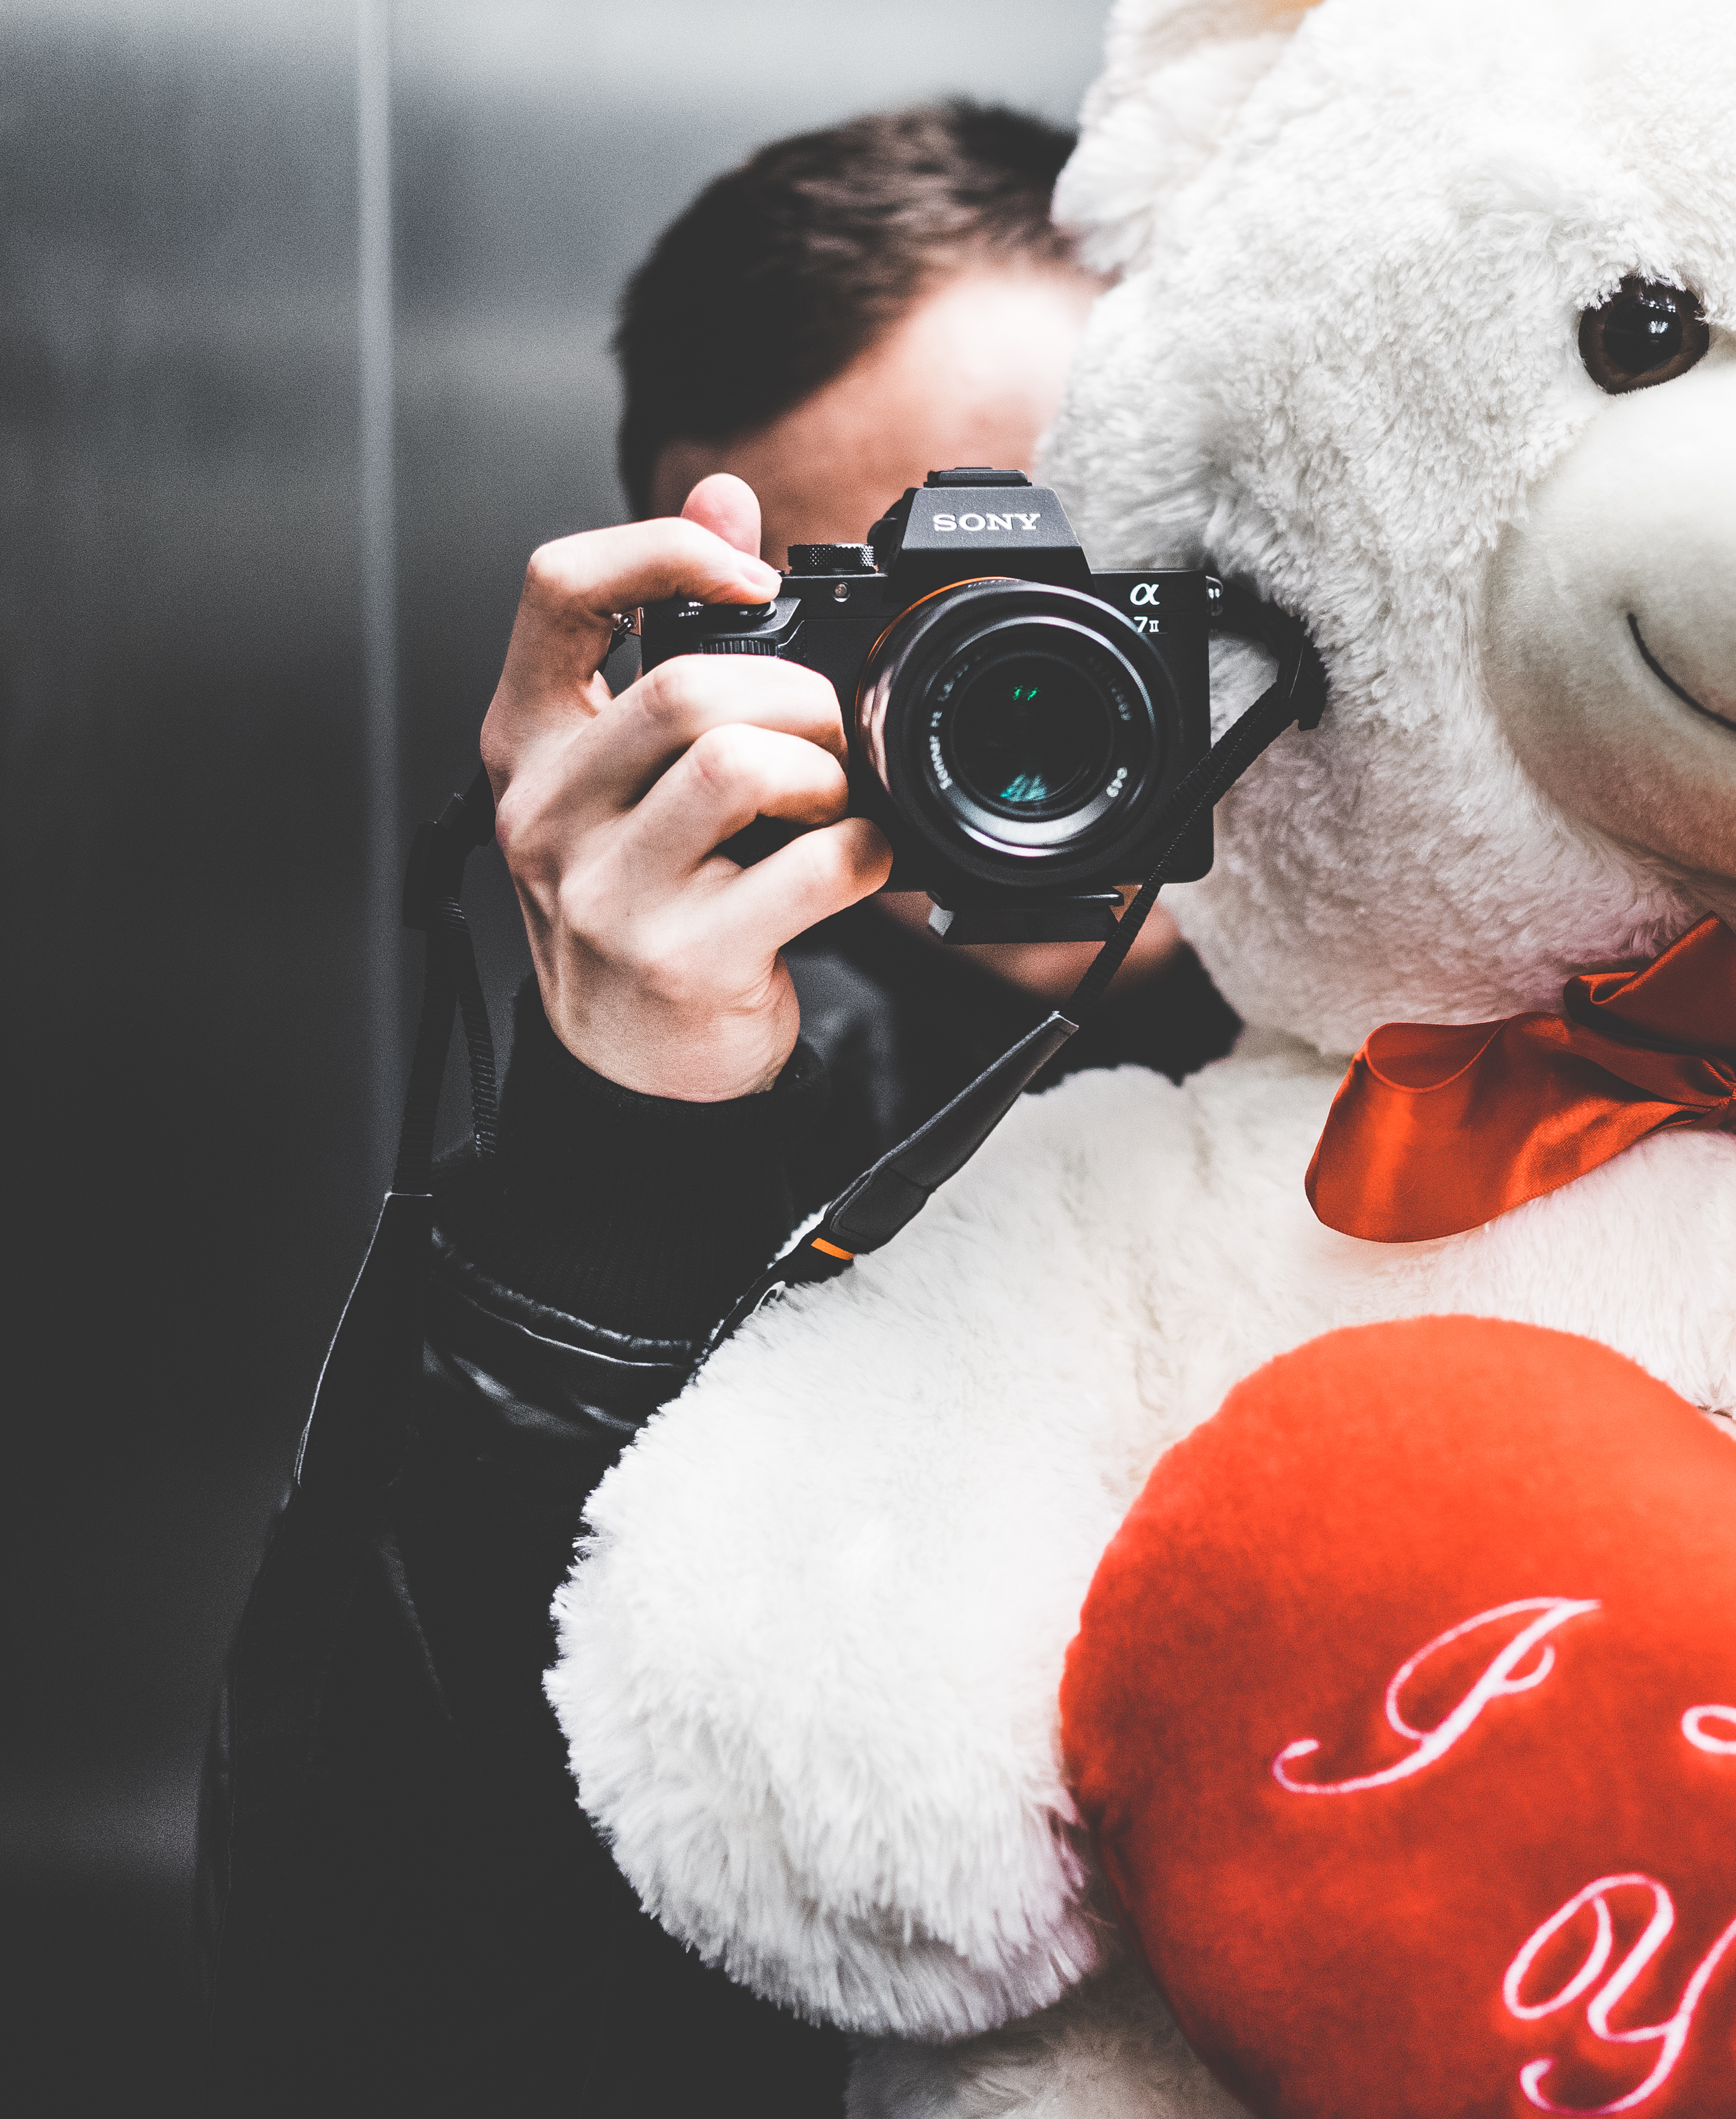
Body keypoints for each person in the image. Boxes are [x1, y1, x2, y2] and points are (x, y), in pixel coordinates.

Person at [197, 101, 1233, 2116]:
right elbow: (347, 2036)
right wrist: (621, 1139)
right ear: (703, 654)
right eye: (879, 622)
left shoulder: (1532, 1029)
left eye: (1079, 562)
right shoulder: (712, 1104)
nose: (1010, 680)